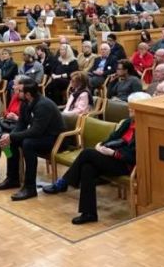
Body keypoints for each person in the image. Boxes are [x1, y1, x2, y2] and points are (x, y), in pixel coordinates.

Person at [43, 92, 151, 224]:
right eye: (129, 105)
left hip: (127, 165)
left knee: (87, 153)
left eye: (132, 106)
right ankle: (89, 213)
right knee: (88, 168)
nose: (128, 108)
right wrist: (102, 145)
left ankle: (64, 182)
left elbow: (135, 155)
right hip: (113, 158)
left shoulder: (145, 128)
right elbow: (113, 137)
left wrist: (112, 153)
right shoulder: (128, 122)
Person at [0, 77, 64, 201]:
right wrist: (9, 137)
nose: (16, 91)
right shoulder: (25, 102)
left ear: (27, 94)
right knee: (8, 143)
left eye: (19, 90)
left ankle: (30, 187)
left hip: (55, 139)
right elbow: (21, 124)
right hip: (42, 136)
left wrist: (12, 136)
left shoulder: (43, 105)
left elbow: (36, 131)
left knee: (28, 144)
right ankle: (12, 177)